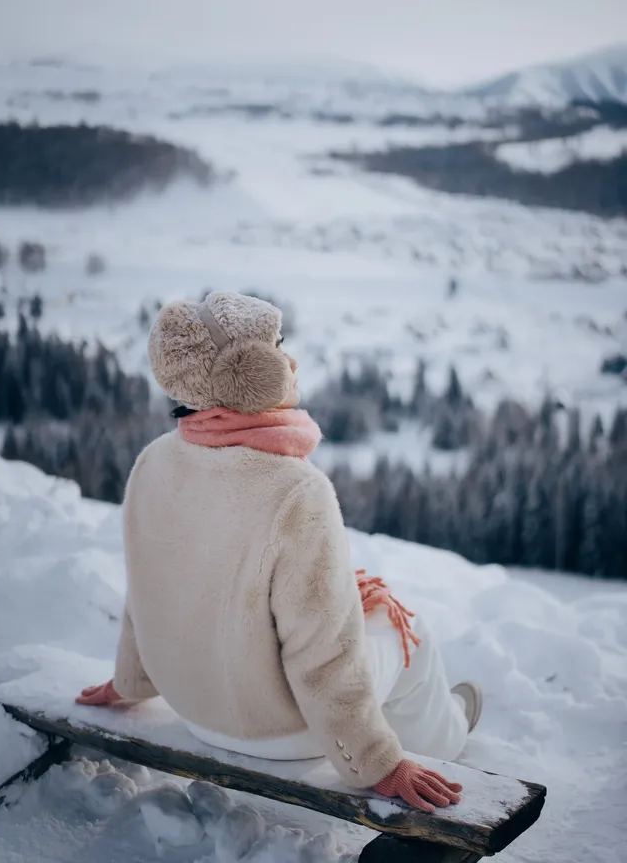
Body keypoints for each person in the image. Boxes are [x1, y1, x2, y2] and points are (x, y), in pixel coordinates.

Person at [77, 292, 482, 813]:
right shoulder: (295, 489)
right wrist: (378, 763)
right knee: (410, 633)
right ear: (251, 371)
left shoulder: (153, 462)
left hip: (193, 709)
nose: (289, 360)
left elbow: (149, 587)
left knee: (374, 626)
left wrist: (128, 683)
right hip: (280, 734)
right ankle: (449, 733)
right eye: (278, 345)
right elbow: (325, 650)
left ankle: (422, 723)